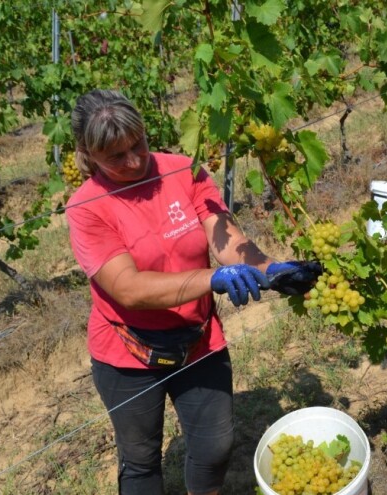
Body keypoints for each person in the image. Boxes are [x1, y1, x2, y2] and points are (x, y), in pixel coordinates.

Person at [65, 89, 320, 494]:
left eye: (138, 144)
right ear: (87, 154)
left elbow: (227, 240)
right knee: (140, 461)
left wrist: (269, 269)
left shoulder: (183, 170)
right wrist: (211, 280)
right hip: (129, 353)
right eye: (116, 157)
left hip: (197, 340)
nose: (134, 161)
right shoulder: (87, 208)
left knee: (215, 447)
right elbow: (128, 289)